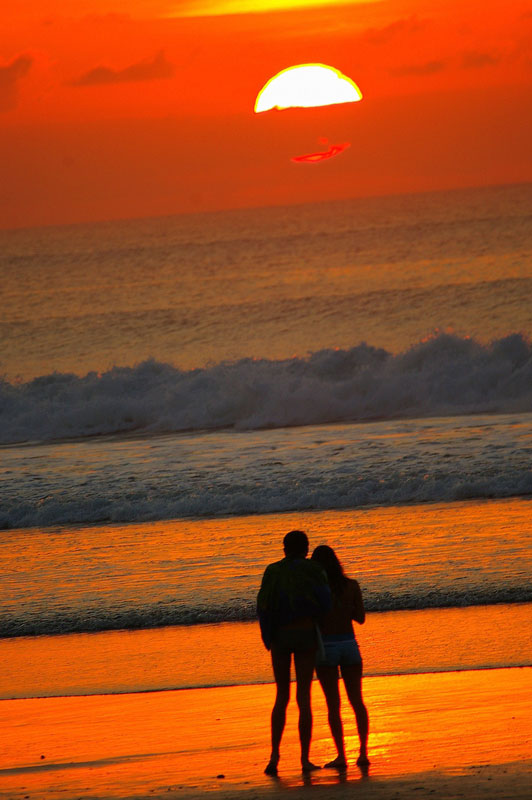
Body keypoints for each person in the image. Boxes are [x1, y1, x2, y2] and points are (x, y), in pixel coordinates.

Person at [257, 530, 331, 777]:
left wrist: (267, 637)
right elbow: (326, 602)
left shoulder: (272, 571)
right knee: (303, 698)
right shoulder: (314, 570)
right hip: (305, 633)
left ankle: (274, 756)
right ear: (306, 548)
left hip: (280, 636)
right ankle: (304, 759)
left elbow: (263, 606)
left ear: (284, 548)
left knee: (281, 696)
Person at [311, 544, 369, 769]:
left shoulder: (316, 589)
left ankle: (341, 756)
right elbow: (361, 618)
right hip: (349, 644)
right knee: (357, 701)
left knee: (333, 705)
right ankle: (363, 753)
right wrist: (345, 609)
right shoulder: (351, 585)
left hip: (326, 647)